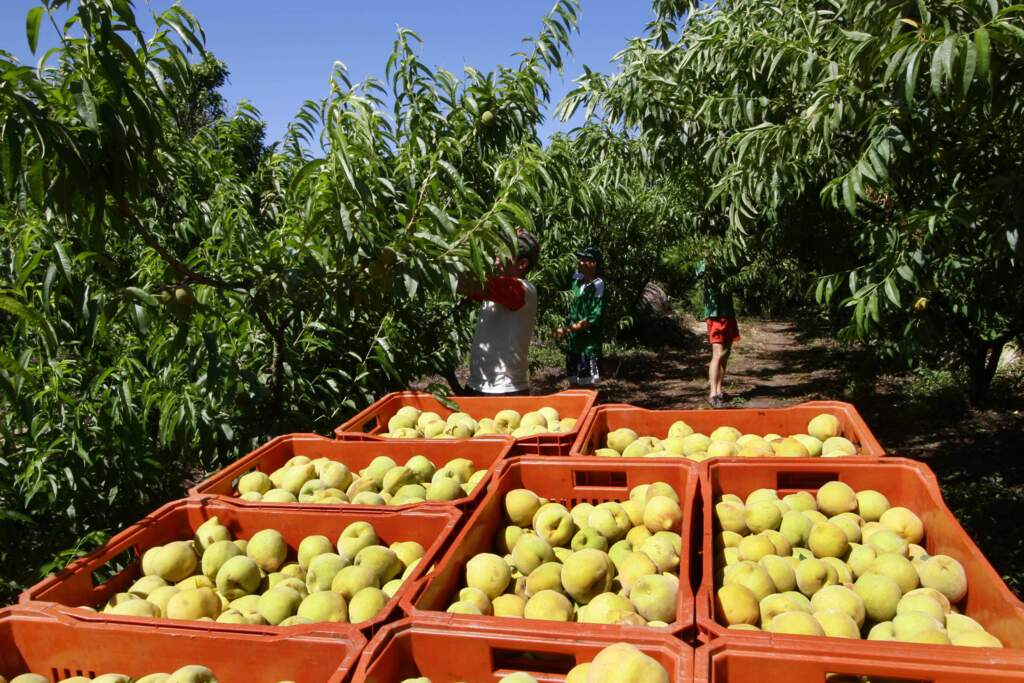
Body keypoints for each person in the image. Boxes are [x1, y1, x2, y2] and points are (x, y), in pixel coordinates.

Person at [464, 230, 540, 395]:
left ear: (522, 264)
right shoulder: (497, 289)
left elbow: (467, 283)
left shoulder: (523, 289)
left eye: (505, 252)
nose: (496, 257)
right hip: (477, 384)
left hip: (503, 391)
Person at [555, 247, 605, 387]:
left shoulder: (598, 285)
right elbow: (558, 272)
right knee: (573, 381)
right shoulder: (576, 278)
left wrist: (565, 330)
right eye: (581, 259)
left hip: (588, 345)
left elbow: (590, 320)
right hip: (574, 343)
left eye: (586, 260)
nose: (581, 262)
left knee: (588, 385)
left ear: (594, 264)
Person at [697, 260, 740, 407]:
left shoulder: (729, 260)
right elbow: (698, 273)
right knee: (718, 354)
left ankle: (719, 390)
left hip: (728, 313)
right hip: (715, 315)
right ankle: (713, 393)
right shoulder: (705, 263)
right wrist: (707, 258)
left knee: (726, 354)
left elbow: (737, 279)